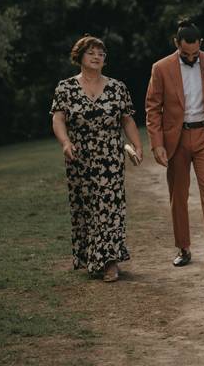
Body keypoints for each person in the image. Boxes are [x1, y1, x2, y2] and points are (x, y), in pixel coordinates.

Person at [50, 35, 144, 283]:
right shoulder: (65, 88)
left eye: (101, 53)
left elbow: (127, 119)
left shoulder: (117, 87)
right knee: (87, 207)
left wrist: (137, 144)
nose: (96, 57)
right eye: (91, 52)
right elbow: (58, 118)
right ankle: (93, 257)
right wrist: (66, 142)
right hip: (79, 156)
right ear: (80, 56)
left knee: (110, 207)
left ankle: (110, 262)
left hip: (110, 157)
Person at [146, 19, 204, 270]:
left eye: (195, 53)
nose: (192, 58)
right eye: (186, 53)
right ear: (177, 44)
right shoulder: (161, 68)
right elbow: (152, 108)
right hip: (177, 138)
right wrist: (157, 144)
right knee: (179, 195)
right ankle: (183, 248)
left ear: (201, 45)